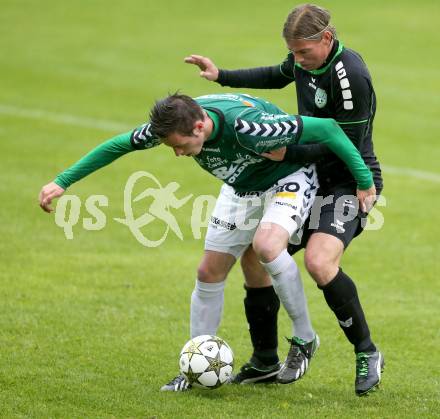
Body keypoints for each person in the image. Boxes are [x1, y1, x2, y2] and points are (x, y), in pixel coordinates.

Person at [39, 92, 375, 393]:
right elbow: (118, 144)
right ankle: (194, 364)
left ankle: (304, 337)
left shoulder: (253, 127)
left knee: (268, 247)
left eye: (179, 146)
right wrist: (62, 182)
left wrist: (363, 180)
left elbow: (329, 128)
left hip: (286, 179)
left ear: (199, 127)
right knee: (208, 272)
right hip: (239, 188)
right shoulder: (175, 122)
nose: (177, 153)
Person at [185, 3, 384, 396]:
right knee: (256, 256)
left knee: (319, 261)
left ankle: (366, 352)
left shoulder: (351, 79)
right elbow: (275, 76)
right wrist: (220, 75)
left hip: (348, 182)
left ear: (326, 39)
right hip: (307, 176)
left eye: (303, 52)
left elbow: (345, 145)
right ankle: (264, 360)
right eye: (292, 52)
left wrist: (288, 154)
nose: (296, 61)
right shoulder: (304, 62)